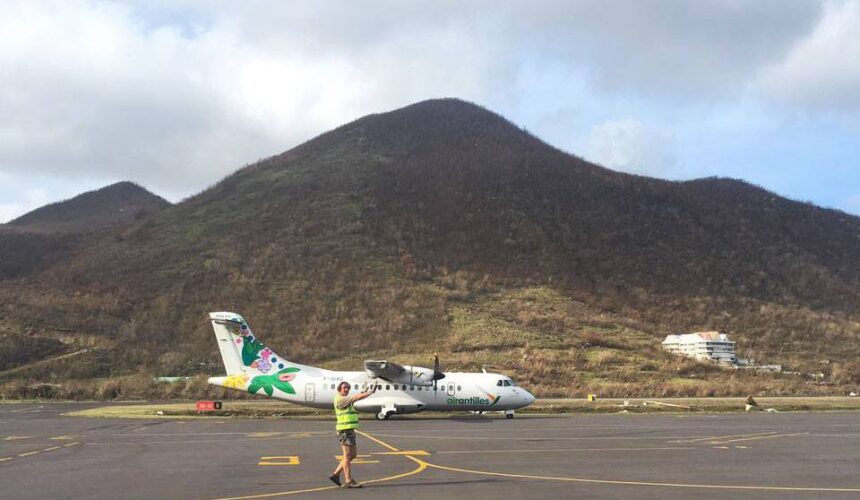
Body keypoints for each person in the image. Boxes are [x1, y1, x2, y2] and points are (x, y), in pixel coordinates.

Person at [329, 380, 376, 488]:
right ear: (339, 389)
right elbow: (355, 398)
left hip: (349, 430)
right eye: (344, 387)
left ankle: (335, 475)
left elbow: (354, 398)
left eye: (348, 388)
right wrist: (370, 393)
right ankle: (348, 480)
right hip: (344, 430)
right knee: (347, 456)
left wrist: (364, 391)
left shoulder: (345, 399)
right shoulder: (340, 399)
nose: (346, 389)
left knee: (353, 455)